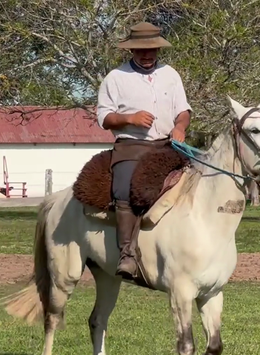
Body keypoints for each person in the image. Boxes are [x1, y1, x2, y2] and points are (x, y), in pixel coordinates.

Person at [96, 21, 192, 280]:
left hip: (167, 143)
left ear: (158, 50)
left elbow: (183, 111)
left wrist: (180, 127)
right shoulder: (115, 78)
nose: (147, 55)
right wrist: (130, 118)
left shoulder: (171, 74)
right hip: (132, 146)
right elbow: (104, 117)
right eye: (141, 50)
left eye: (151, 50)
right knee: (126, 187)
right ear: (132, 50)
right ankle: (127, 254)